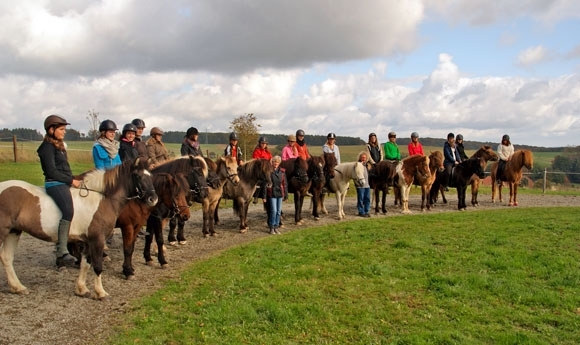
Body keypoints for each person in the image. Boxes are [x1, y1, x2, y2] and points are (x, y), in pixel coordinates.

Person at [37, 115, 81, 267]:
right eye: (61, 129)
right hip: (54, 184)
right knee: (68, 211)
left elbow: (63, 168)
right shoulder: (46, 148)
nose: (64, 132)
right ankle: (61, 251)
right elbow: (52, 172)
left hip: (63, 181)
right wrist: (71, 181)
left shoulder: (59, 146)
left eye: (64, 129)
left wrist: (73, 178)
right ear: (51, 129)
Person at [262, 155, 288, 235]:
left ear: (279, 163)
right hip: (271, 193)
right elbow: (265, 184)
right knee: (273, 211)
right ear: (272, 162)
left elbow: (285, 184)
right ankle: (271, 227)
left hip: (280, 193)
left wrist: (286, 195)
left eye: (277, 162)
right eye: (274, 162)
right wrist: (264, 196)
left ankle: (276, 227)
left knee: (278, 212)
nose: (275, 163)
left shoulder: (282, 172)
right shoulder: (268, 171)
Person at [355, 151, 371, 217]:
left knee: (367, 199)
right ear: (360, 158)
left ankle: (366, 211)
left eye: (365, 157)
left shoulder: (367, 165)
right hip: (360, 185)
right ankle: (361, 212)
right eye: (362, 157)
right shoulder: (358, 165)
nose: (364, 159)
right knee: (361, 199)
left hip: (367, 185)